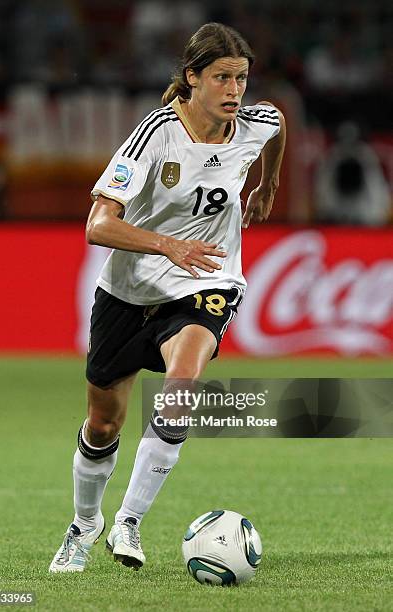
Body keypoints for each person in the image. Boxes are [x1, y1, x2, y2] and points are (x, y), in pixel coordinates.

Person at [49, 22, 286, 573]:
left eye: (241, 78)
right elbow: (98, 225)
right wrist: (166, 245)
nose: (234, 90)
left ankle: (129, 523)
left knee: (181, 388)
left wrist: (266, 186)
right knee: (102, 423)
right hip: (131, 288)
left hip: (209, 280)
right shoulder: (156, 133)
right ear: (192, 79)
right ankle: (85, 525)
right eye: (222, 78)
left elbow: (276, 127)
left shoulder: (255, 123)